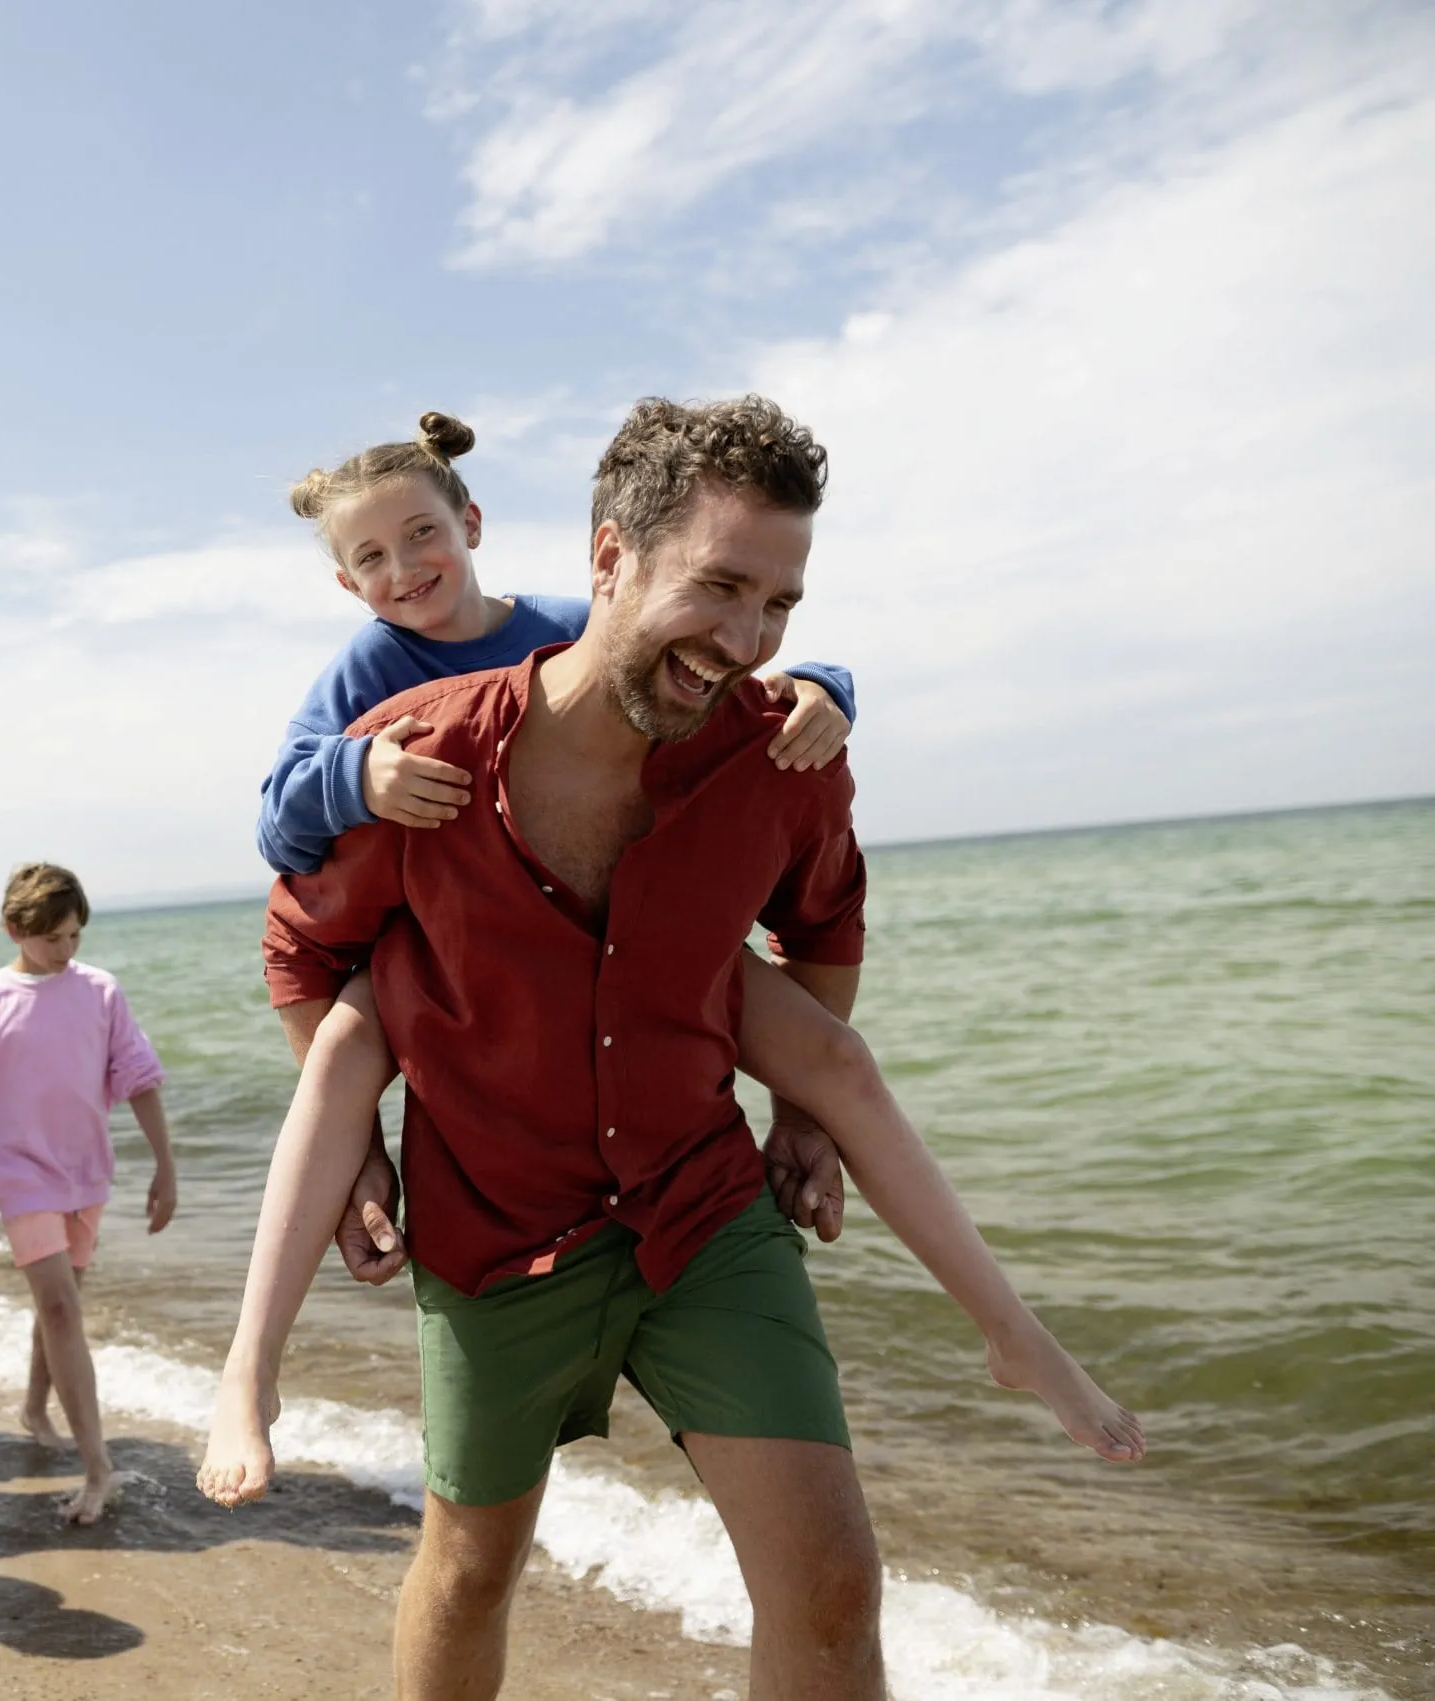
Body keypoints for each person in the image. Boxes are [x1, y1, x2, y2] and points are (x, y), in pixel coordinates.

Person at [214, 398, 1139, 1699]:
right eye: (717, 588)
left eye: (779, 606)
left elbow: (822, 920)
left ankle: (1010, 1332)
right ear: (608, 560)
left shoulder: (780, 754)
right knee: (473, 1567)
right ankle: (246, 1369)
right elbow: (303, 949)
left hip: (701, 1210)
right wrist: (360, 1149)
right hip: (495, 1230)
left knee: (830, 1584)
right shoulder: (407, 761)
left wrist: (804, 1129)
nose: (747, 642)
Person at [254, 410, 857, 879]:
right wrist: (357, 777)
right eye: (371, 557)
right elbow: (277, 830)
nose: (405, 566)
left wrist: (818, 688)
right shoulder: (369, 668)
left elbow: (698, 670)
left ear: (470, 524)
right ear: (349, 584)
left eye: (421, 533)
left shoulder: (570, 627)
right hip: (438, 918)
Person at [0, 862, 177, 1526]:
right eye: (52, 939)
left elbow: (138, 1078)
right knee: (62, 1309)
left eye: (74, 936)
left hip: (84, 1173)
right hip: (19, 1178)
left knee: (61, 1301)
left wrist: (166, 1166)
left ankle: (36, 1406)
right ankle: (97, 1466)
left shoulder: (100, 991)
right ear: (14, 929)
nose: (66, 951)